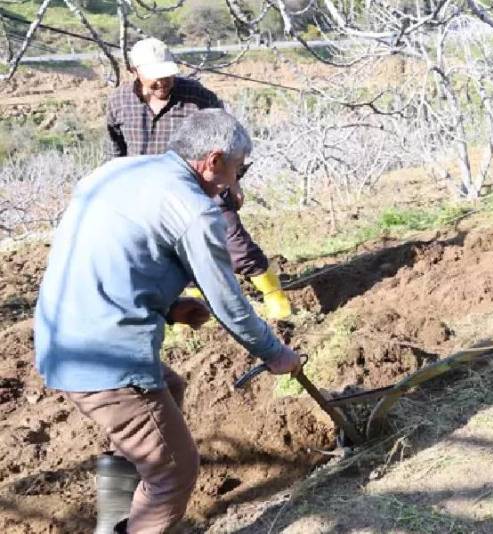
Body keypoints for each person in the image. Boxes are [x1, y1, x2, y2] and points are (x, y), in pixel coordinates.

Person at [34, 109, 301, 534]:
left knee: (167, 392)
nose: (238, 179)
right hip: (107, 358)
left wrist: (171, 305)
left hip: (60, 336)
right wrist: (274, 352)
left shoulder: (119, 171)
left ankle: (113, 523)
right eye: (240, 168)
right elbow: (229, 304)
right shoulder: (195, 210)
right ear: (214, 161)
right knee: (174, 472)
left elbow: (118, 258)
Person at [106, 37, 291, 319]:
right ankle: (194, 311)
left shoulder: (199, 97)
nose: (163, 82)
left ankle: (273, 293)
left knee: (234, 242)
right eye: (155, 77)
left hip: (201, 185)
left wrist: (234, 181)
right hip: (149, 193)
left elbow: (230, 139)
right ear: (134, 71)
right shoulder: (119, 103)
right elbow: (115, 150)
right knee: (172, 256)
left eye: (168, 74)